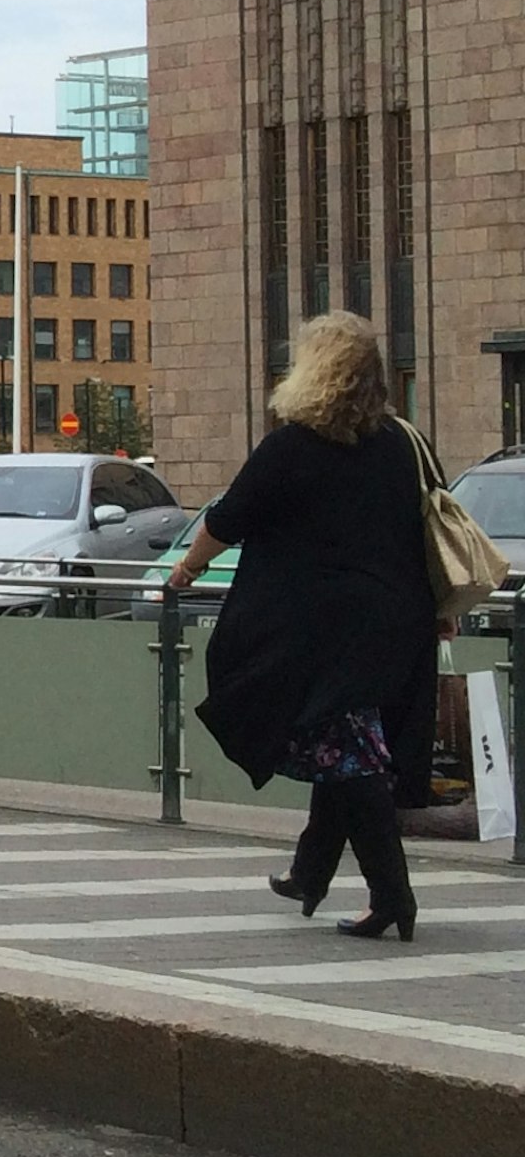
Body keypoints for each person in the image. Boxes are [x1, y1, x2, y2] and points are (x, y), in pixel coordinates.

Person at [162, 310, 437, 941]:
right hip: (393, 619)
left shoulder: (292, 446)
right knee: (340, 744)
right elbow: (419, 531)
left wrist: (184, 571)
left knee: (350, 756)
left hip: (319, 630)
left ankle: (393, 896)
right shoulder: (399, 443)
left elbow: (228, 518)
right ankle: (310, 873)